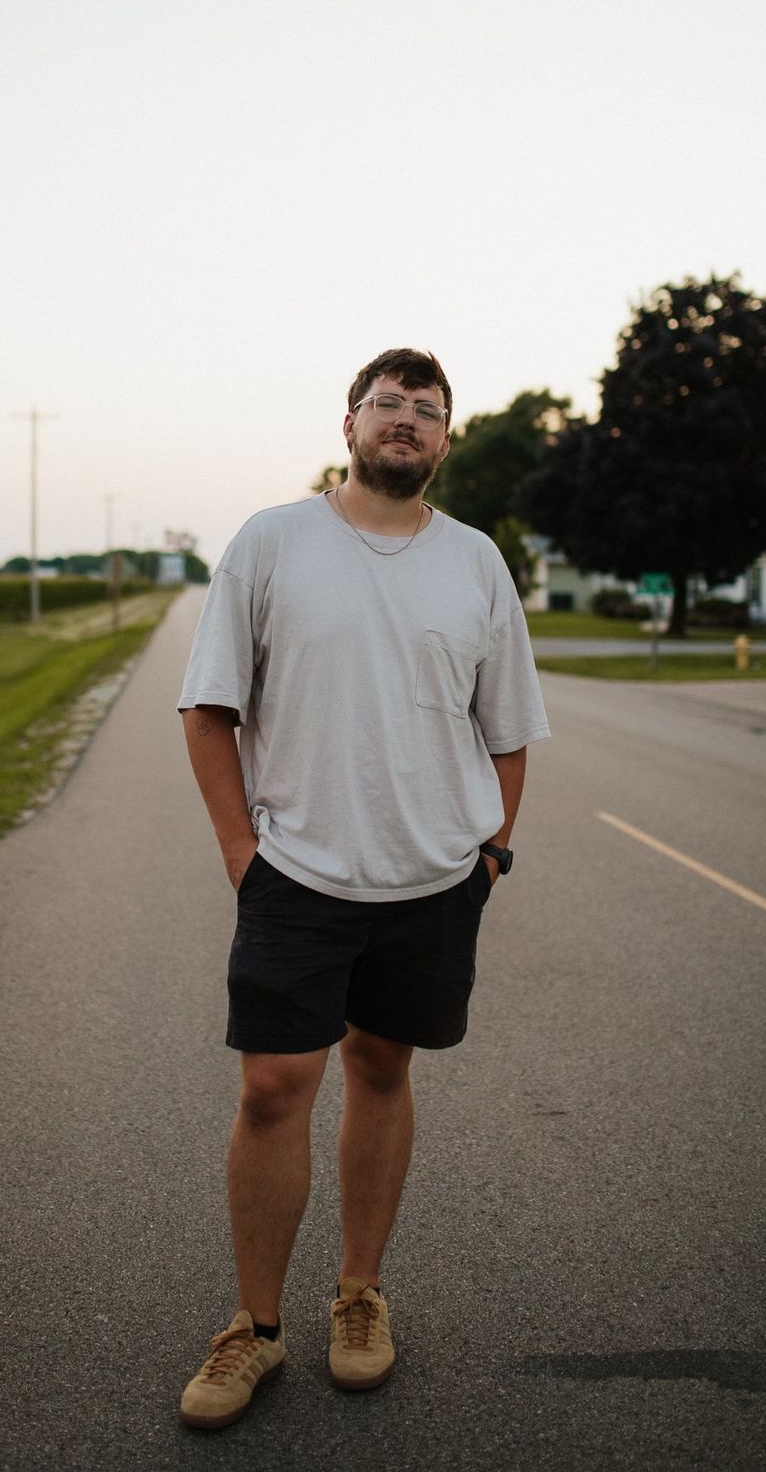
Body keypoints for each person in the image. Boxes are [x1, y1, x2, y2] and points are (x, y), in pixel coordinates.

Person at [176, 347, 549, 1431]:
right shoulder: (273, 542)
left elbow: (510, 731)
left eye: (429, 412)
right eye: (390, 403)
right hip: (298, 873)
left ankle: (357, 1296)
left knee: (381, 1068)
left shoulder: (477, 562)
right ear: (349, 423)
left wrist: (489, 856)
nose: (409, 421)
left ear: (443, 443)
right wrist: (245, 858)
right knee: (272, 1090)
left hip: (434, 880)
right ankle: (255, 1328)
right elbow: (210, 711)